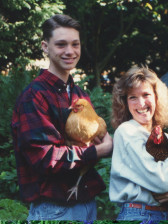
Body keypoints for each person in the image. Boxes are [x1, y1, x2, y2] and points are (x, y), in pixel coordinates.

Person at [11, 14, 113, 221]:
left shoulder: (80, 95)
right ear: (45, 47)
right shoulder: (35, 96)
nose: (70, 51)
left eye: (75, 44)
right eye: (61, 44)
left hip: (87, 204)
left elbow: (93, 137)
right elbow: (44, 157)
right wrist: (98, 151)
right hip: (54, 209)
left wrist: (105, 139)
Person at [109, 66, 168, 222]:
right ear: (124, 103)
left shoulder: (166, 138)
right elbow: (162, 181)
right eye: (132, 97)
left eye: (146, 94)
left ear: (157, 97)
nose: (141, 103)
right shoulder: (127, 132)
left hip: (166, 215)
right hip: (139, 214)